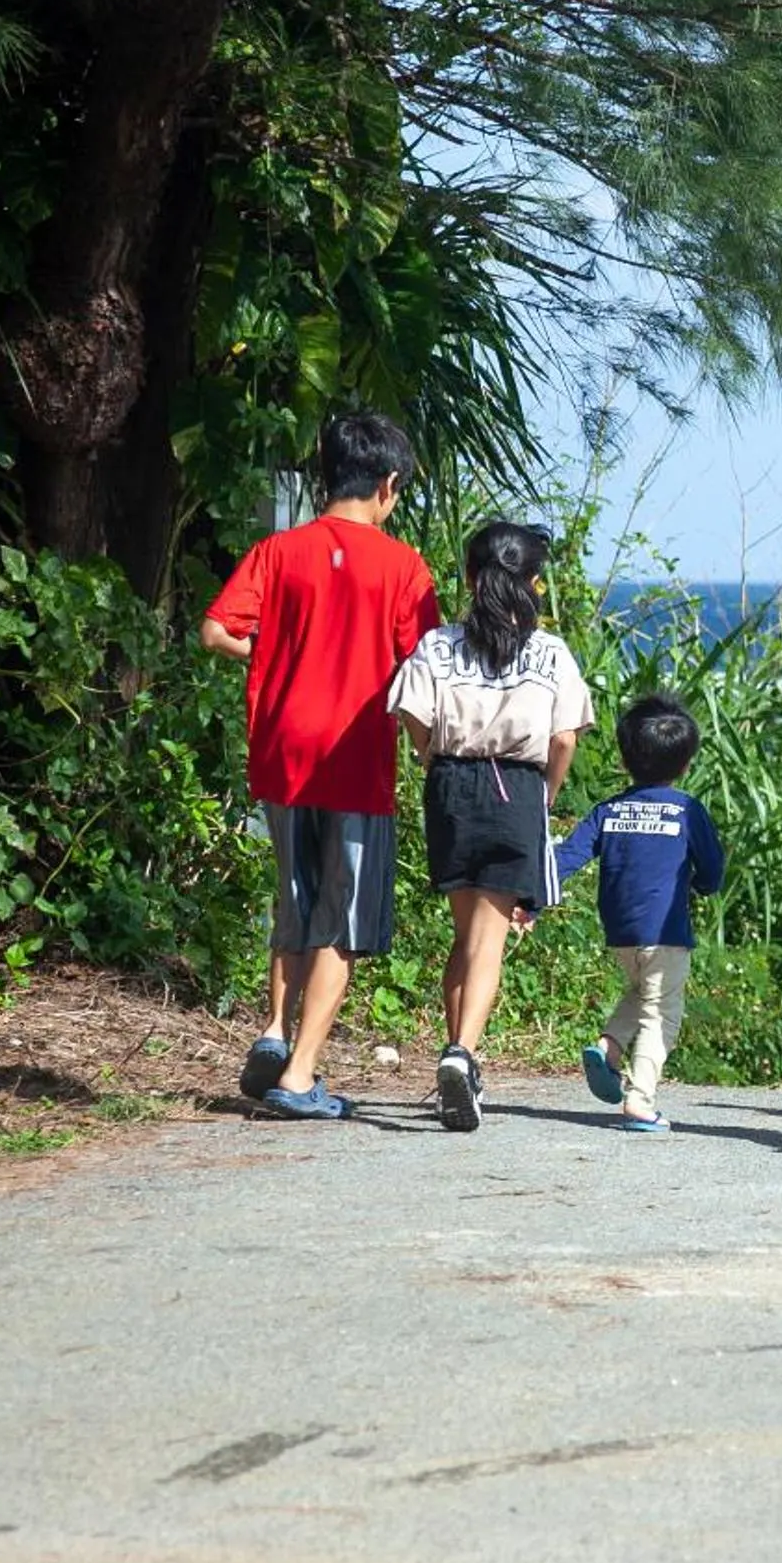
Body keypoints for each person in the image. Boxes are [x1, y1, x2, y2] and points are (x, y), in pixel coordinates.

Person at [200, 412, 442, 1121]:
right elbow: (421, 670)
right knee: (343, 915)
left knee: (296, 895)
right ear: (389, 486)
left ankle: (275, 1031)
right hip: (352, 756)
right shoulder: (404, 567)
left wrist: (271, 659)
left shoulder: (277, 551)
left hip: (281, 748)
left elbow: (218, 631)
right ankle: (300, 1076)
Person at [386, 520, 593, 1132]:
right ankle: (463, 1053)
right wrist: (546, 798)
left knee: (466, 935)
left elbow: (413, 716)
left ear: (471, 580)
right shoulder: (549, 652)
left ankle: (459, 1060)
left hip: (451, 785)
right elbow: (562, 737)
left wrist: (434, 761)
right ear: (533, 585)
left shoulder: (439, 644)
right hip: (518, 788)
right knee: (491, 941)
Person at [556, 693, 726, 1133]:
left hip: (620, 931)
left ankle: (608, 1048)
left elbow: (566, 857)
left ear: (625, 758)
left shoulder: (608, 810)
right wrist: (704, 886)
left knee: (643, 991)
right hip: (665, 930)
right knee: (661, 1013)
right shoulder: (687, 810)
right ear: (685, 763)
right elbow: (713, 868)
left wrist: (530, 898)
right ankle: (640, 1100)